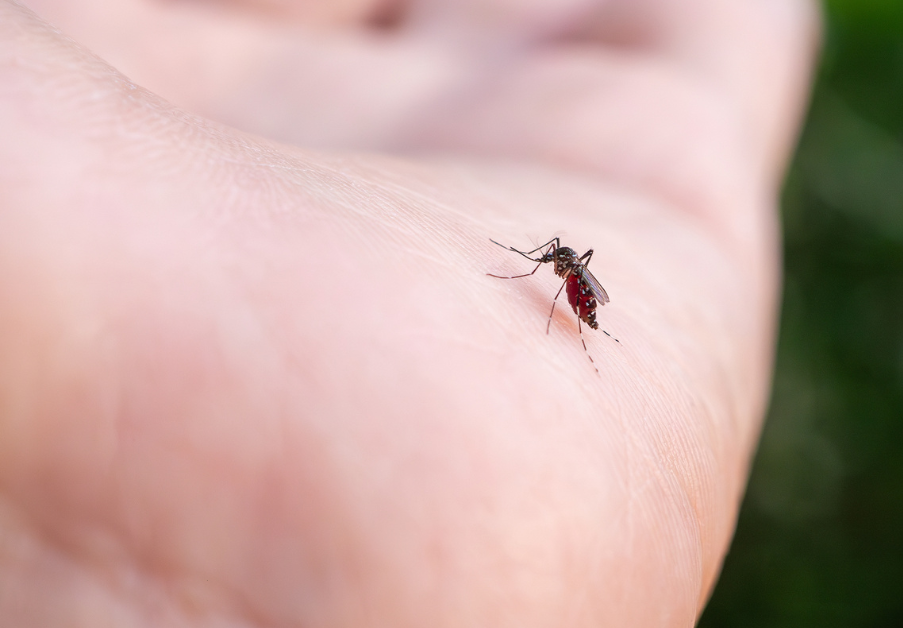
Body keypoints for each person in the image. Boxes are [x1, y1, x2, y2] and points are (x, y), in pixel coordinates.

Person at [0, 0, 817, 624]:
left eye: (561, 263)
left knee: (565, 301)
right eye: (563, 265)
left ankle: (584, 335)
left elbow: (572, 278)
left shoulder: (571, 275)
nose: (562, 268)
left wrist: (557, 286)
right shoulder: (576, 253)